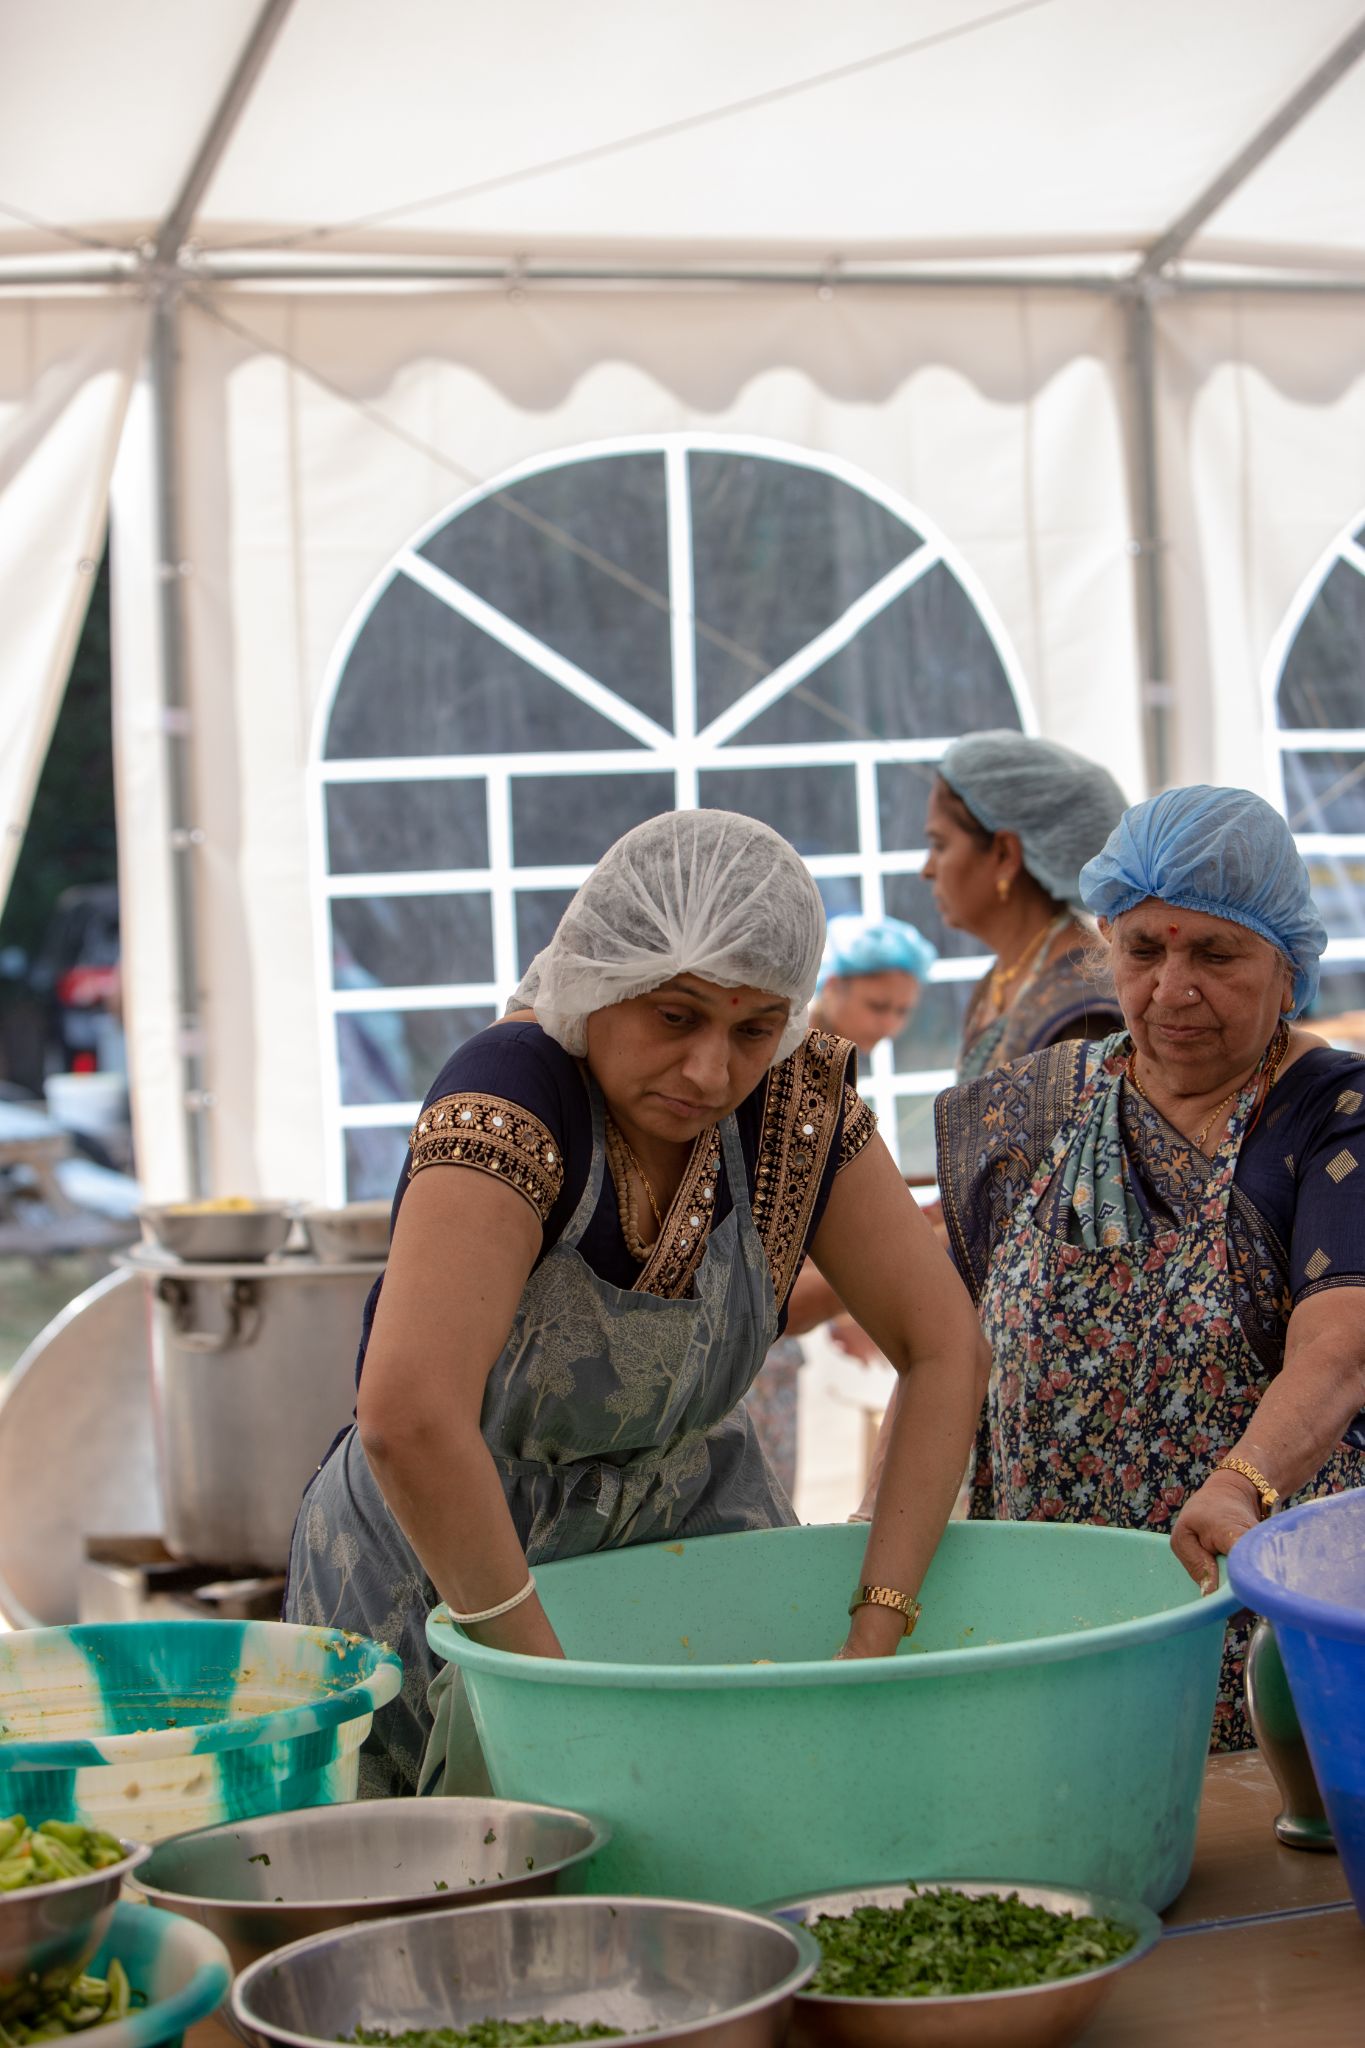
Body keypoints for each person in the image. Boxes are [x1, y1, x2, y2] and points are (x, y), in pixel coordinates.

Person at [286, 811, 988, 1795]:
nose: (712, 1070)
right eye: (674, 1015)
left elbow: (946, 1344)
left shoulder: (793, 1101)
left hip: (684, 1544)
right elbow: (409, 1415)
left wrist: (877, 1619)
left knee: (738, 1833)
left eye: (752, 1027)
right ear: (602, 977)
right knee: (451, 1888)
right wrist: (542, 1692)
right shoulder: (516, 1089)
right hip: (456, 1561)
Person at [931, 785, 1365, 1747]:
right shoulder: (1035, 1108)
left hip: (1245, 1616)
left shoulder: (1332, 1119)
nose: (1171, 989)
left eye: (1214, 954)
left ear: (1287, 968)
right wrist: (886, 1519)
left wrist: (1237, 1487)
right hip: (1043, 1615)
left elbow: (1340, 1351)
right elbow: (942, 1344)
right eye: (1143, 950)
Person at [745, 914, 938, 1494]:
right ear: (833, 986)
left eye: (902, 1012)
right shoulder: (787, 1069)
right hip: (744, 1315)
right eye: (879, 1006)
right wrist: (850, 1302)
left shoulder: (835, 1073)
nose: (890, 1025)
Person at [926, 732, 1128, 1079]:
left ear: (1005, 854)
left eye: (940, 845)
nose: (927, 870)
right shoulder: (999, 979)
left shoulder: (1084, 1002)